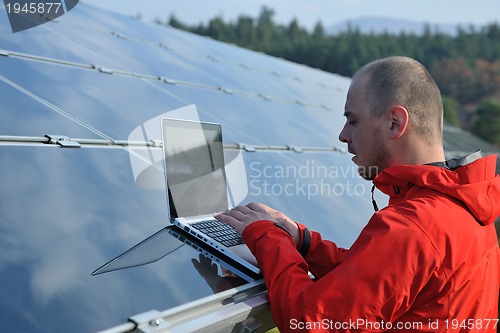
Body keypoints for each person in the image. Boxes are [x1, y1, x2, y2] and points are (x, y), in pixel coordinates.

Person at [216, 56, 500, 332]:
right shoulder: (465, 209)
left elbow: (310, 324)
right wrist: (303, 242)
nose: (343, 135)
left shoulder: (412, 227)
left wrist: (267, 236)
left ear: (395, 123)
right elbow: (372, 284)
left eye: (353, 121)